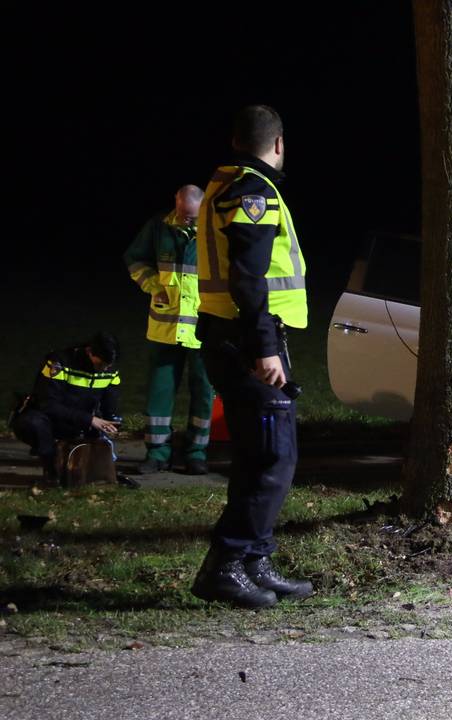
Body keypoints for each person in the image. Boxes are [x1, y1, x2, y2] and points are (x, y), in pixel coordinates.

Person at [191, 105, 312, 608]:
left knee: (256, 456)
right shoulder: (254, 191)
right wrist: (264, 347)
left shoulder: (224, 184)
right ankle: (227, 564)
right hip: (246, 341)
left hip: (230, 336)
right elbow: (248, 276)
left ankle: (253, 562)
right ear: (278, 143)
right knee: (274, 457)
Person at [123, 185, 215, 475]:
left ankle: (196, 453)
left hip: (203, 329)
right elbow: (134, 259)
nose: (186, 220)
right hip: (165, 327)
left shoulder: (214, 229)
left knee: (204, 392)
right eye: (182, 214)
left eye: (191, 217)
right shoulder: (159, 226)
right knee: (159, 391)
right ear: (175, 204)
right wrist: (153, 286)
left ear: (203, 208)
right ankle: (157, 453)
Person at [11, 333, 121, 485]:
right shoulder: (59, 362)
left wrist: (112, 423)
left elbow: (110, 404)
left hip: (80, 422)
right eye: (101, 364)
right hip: (51, 420)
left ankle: (82, 469)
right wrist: (90, 419)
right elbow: (47, 405)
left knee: (97, 452)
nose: (105, 369)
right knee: (33, 423)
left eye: (108, 365)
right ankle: (51, 471)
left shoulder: (109, 369)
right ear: (89, 351)